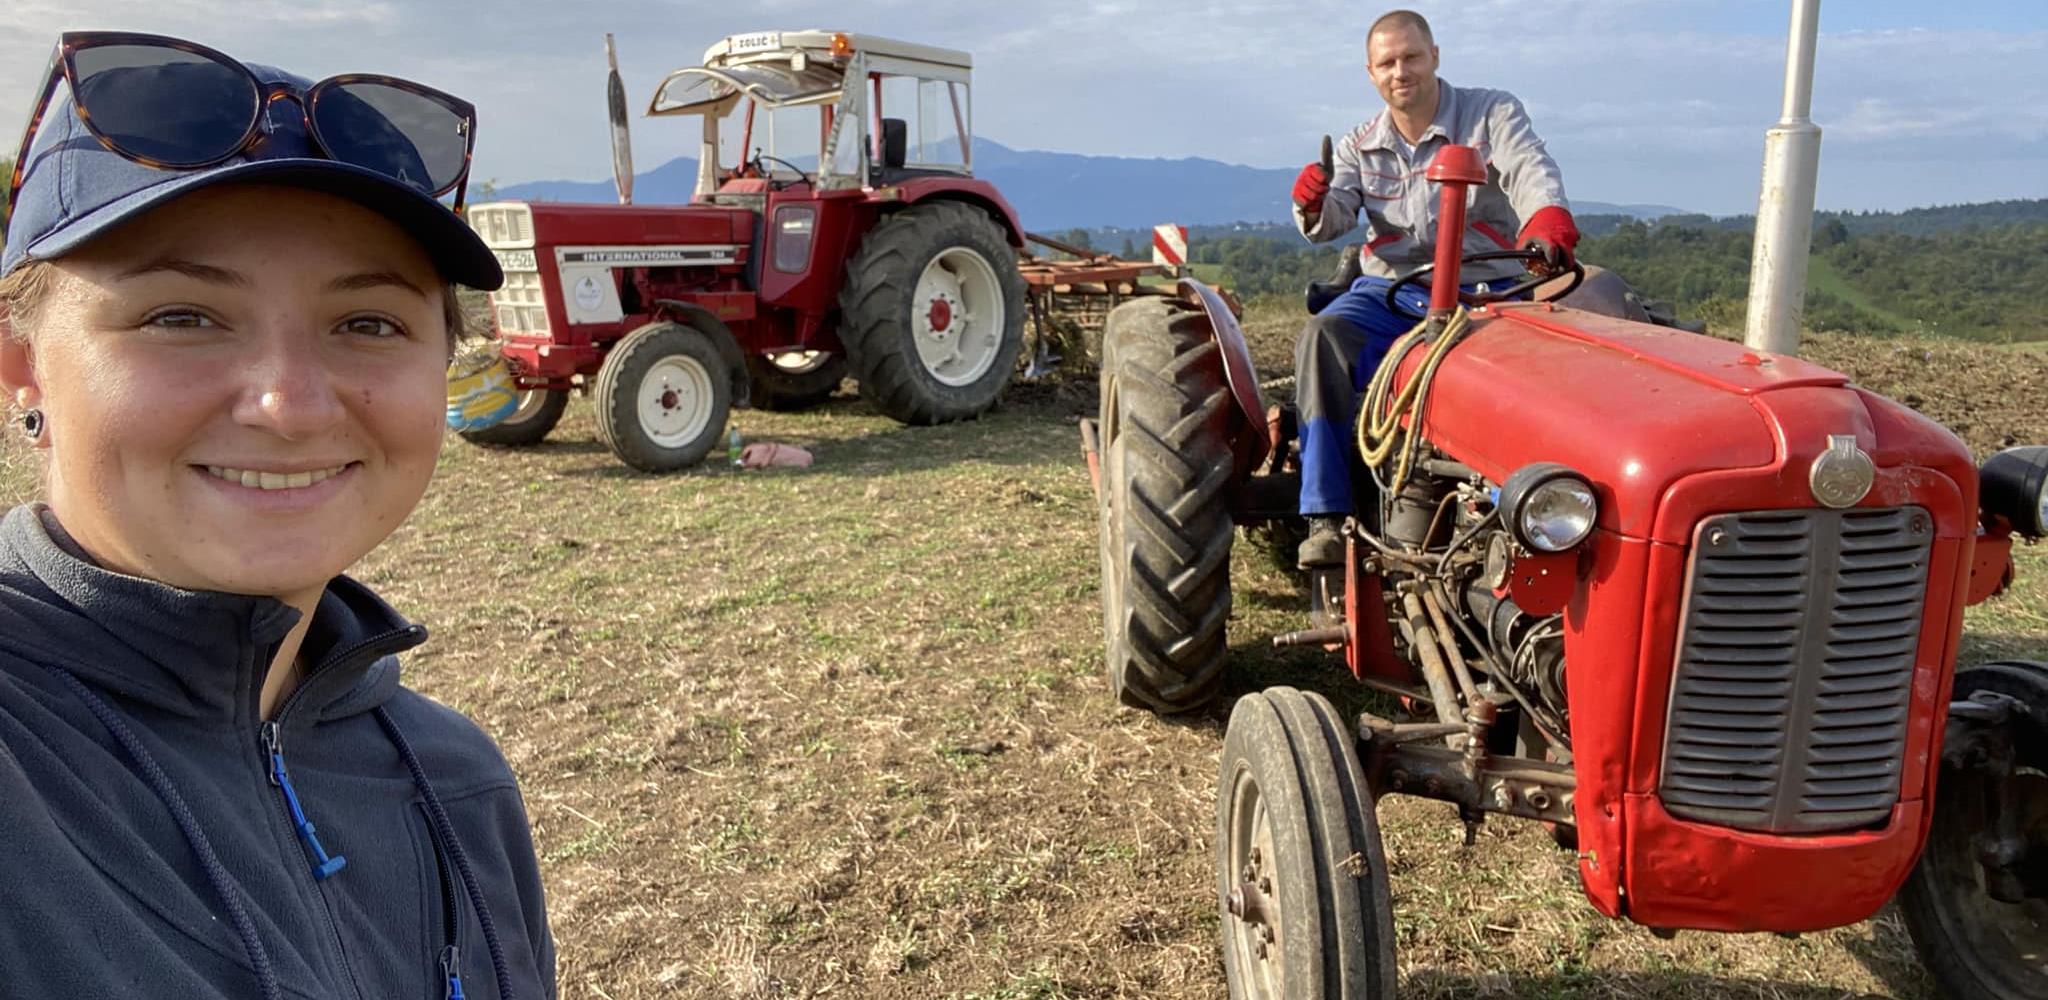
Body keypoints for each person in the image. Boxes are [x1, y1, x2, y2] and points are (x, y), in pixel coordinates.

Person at [0, 32, 555, 999]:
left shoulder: (460, 785)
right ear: (22, 368)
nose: (291, 406)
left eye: (368, 324)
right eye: (181, 317)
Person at [1290, 9, 1581, 566]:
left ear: (1435, 57)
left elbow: (1529, 169)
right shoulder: (1359, 145)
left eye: (1411, 57)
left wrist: (1545, 222)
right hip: (1394, 291)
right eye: (1387, 62)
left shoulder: (1491, 113)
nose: (1401, 71)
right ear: (1372, 73)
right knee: (1323, 338)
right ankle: (1325, 512)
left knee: (1541, 373)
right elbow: (1332, 222)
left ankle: (1527, 513)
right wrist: (1311, 200)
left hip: (1487, 289)